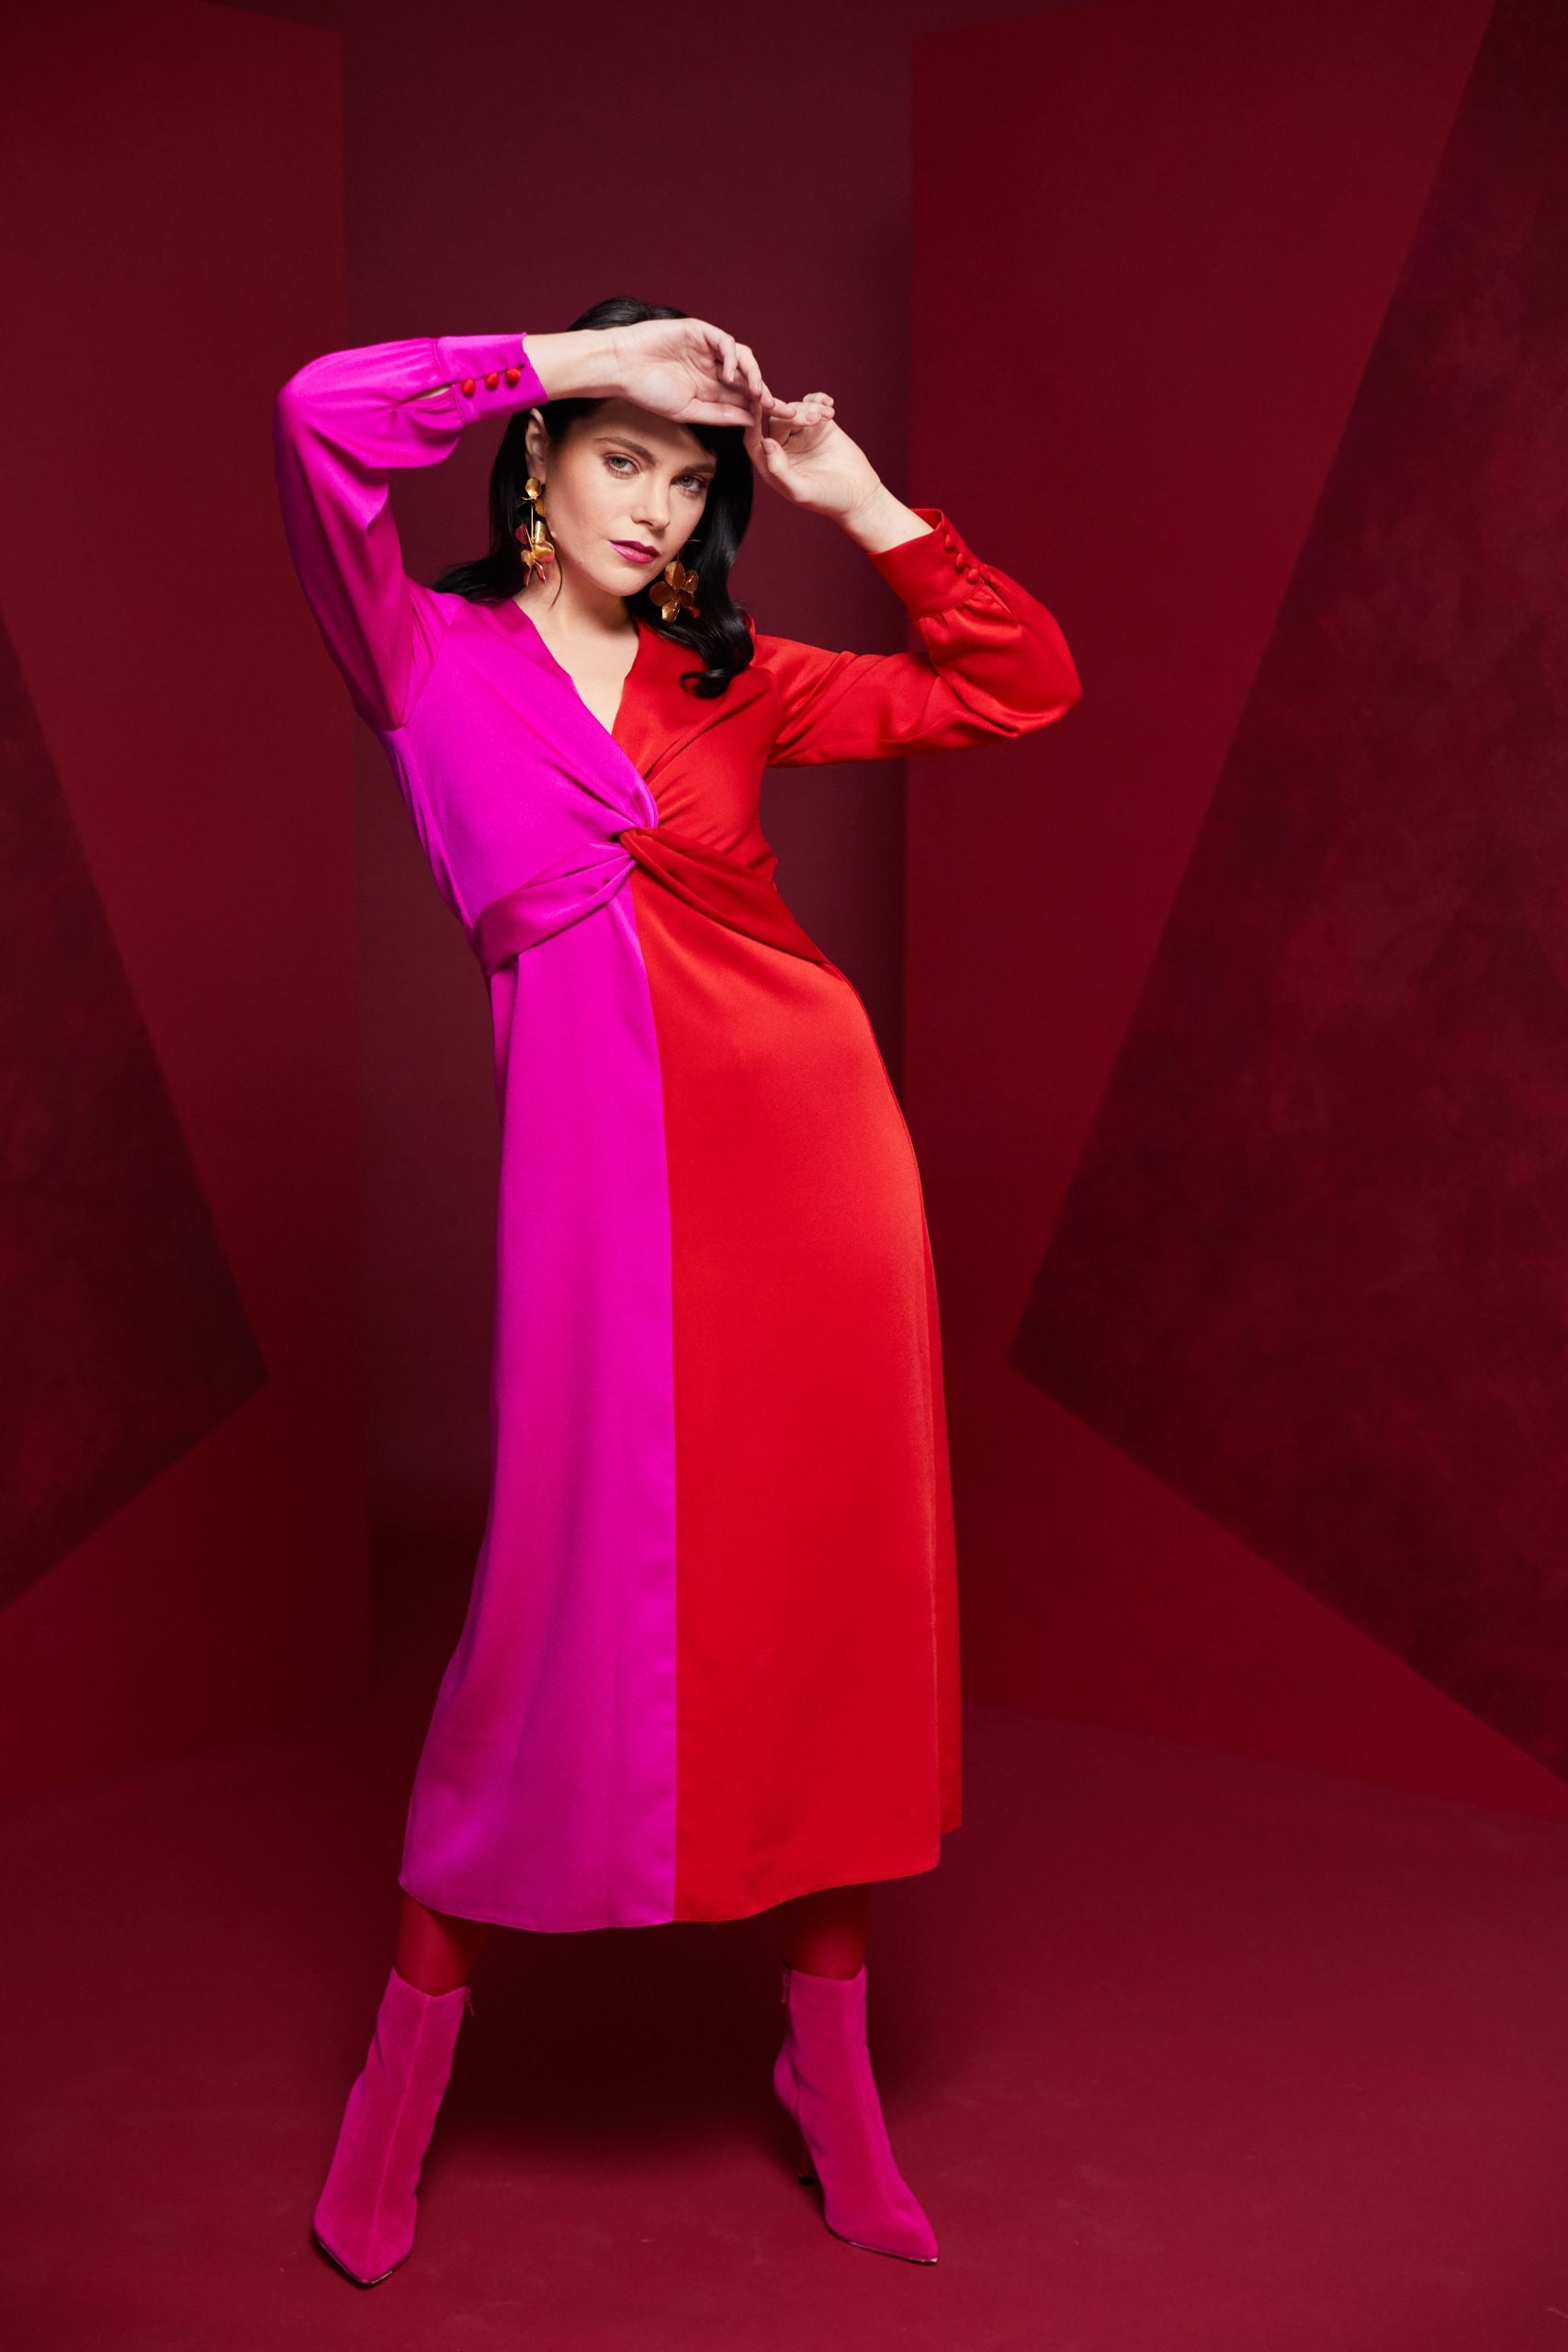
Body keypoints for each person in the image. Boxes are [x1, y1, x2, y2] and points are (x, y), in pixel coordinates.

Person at [271, 299, 1082, 2287]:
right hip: (596, 1197)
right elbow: (318, 415)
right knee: (550, 1597)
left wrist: (855, 496)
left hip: (813, 1164)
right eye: (622, 459)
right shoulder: (418, 649)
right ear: (538, 469)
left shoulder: (735, 678)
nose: (654, 504)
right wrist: (586, 356)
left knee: (820, 1597)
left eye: (688, 477)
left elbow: (1019, 689)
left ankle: (832, 2075)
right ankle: (400, 2081)